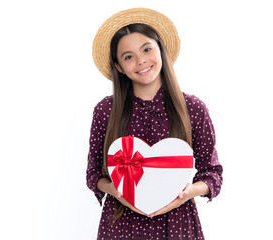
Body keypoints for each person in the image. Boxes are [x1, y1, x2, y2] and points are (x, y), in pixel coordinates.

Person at [87, 8, 223, 239]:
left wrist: (188, 193)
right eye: (128, 56)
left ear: (161, 49)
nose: (141, 61)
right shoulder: (106, 110)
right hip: (121, 224)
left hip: (177, 222)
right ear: (119, 67)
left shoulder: (193, 108)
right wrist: (115, 191)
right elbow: (93, 174)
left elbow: (213, 174)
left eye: (147, 49)